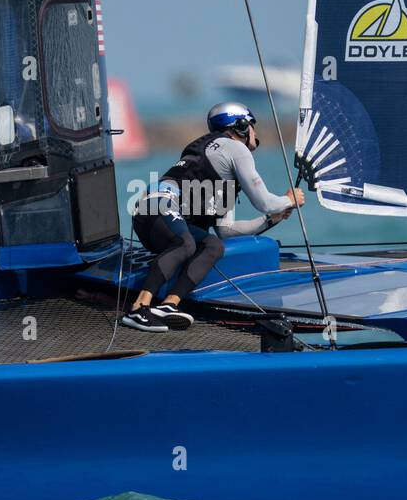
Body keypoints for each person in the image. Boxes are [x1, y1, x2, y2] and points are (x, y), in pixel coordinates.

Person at [122, 101, 305, 332]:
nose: (255, 133)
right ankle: (138, 308)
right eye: (252, 125)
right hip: (157, 204)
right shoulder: (235, 148)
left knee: (212, 246)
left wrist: (271, 220)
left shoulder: (222, 166)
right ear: (240, 126)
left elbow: (226, 231)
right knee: (185, 243)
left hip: (155, 217)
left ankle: (169, 305)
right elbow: (264, 202)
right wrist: (290, 200)